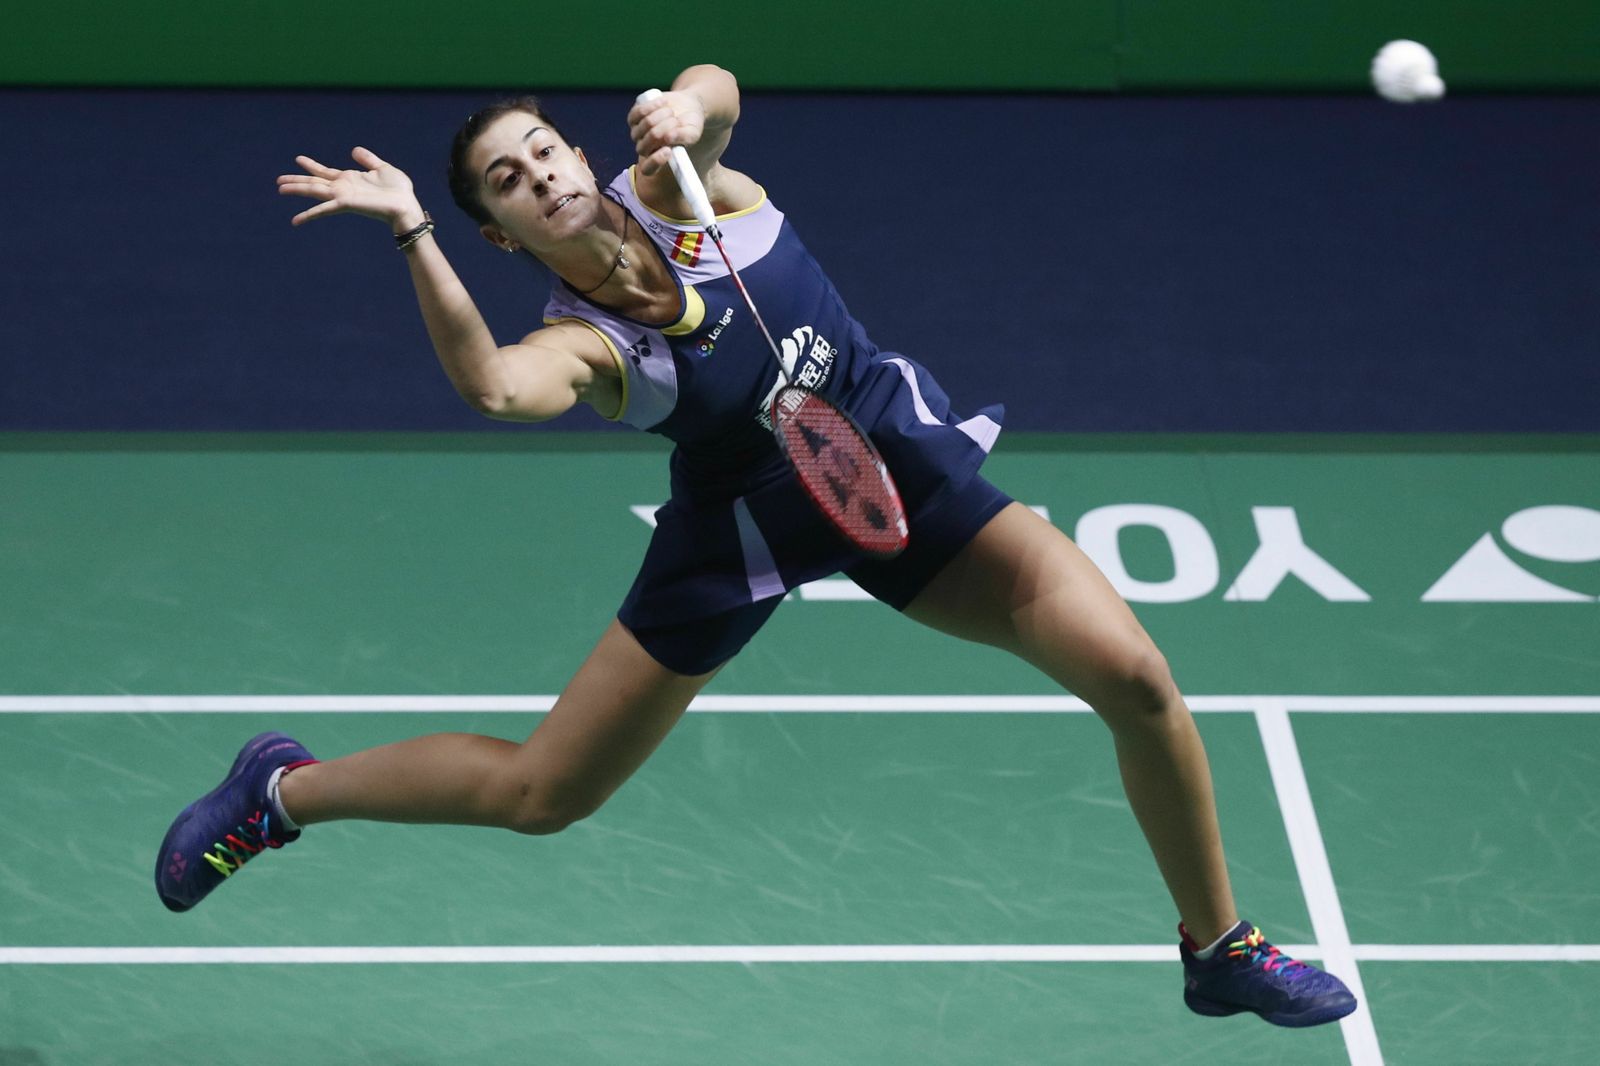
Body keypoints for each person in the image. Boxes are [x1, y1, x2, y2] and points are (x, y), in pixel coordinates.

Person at [155, 65, 1355, 1028]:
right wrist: (414, 232)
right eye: (504, 186)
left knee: (1138, 680)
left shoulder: (682, 188)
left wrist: (689, 104)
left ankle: (1220, 948)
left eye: (543, 153)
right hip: (742, 527)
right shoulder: (588, 345)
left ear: (581, 156)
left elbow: (715, 92)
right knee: (542, 793)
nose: (537, 177)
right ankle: (281, 790)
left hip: (887, 462)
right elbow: (494, 389)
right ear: (504, 235)